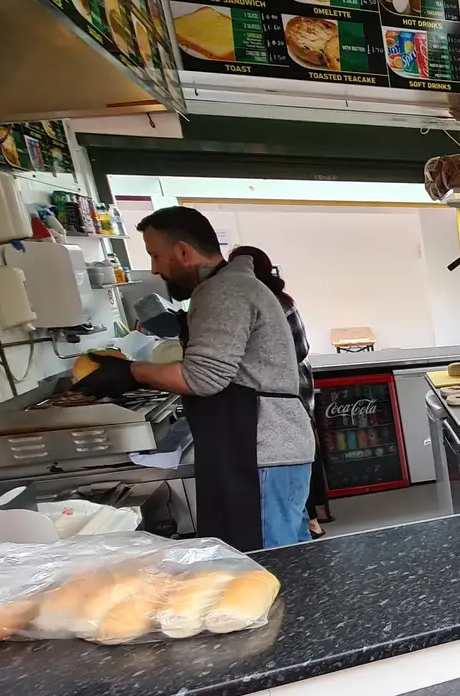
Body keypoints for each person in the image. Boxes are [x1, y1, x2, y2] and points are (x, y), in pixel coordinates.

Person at [74, 207, 315, 551]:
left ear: (184, 251)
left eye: (156, 255)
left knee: (265, 561)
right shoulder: (235, 286)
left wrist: (129, 372)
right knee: (292, 555)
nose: (155, 268)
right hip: (271, 448)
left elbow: (203, 377)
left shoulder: (224, 291)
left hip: (258, 450)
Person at [227, 245, 330, 540]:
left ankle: (310, 519)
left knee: (279, 517)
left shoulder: (273, 304)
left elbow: (299, 350)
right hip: (291, 405)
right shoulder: (275, 300)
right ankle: (309, 520)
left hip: (288, 401)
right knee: (293, 493)